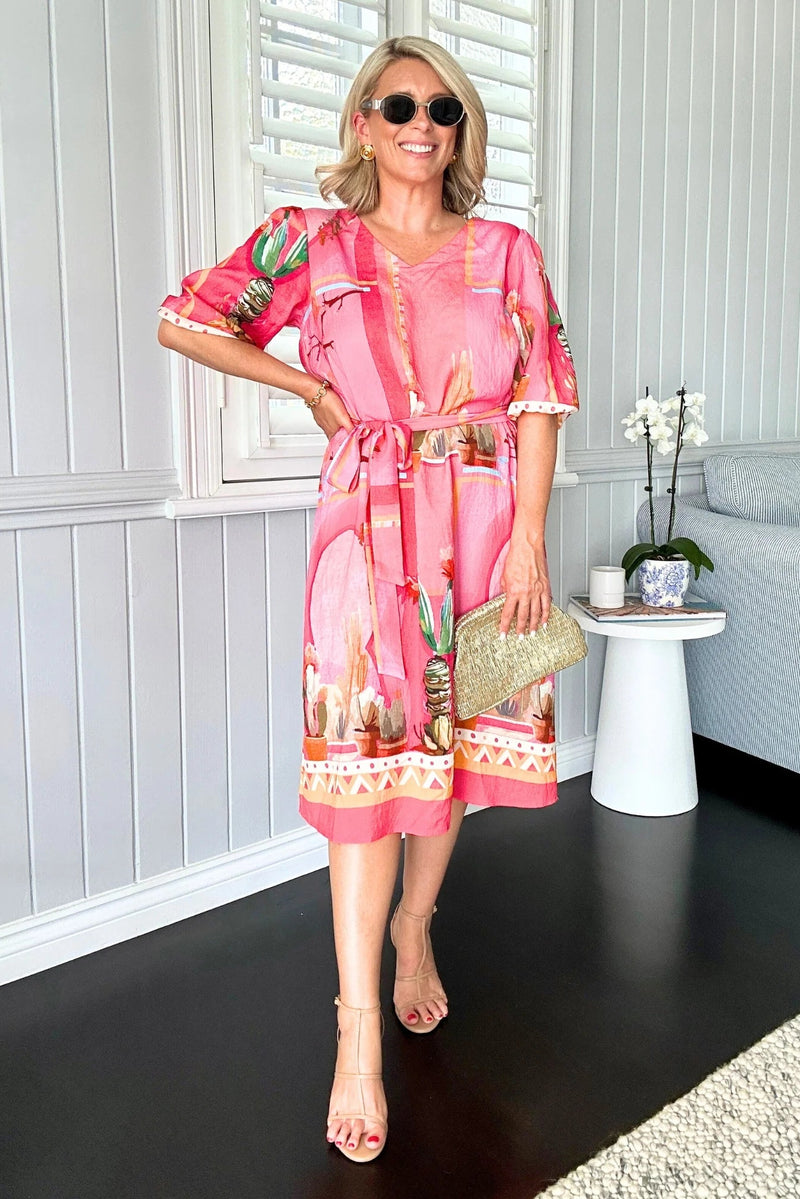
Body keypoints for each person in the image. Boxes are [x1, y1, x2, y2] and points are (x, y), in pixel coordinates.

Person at [158, 35, 579, 1164]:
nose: (421, 124)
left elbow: (540, 398)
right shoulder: (314, 241)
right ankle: (356, 1033)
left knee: (449, 756)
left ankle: (414, 927)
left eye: (443, 108)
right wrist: (304, 381)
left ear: (460, 129)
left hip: (485, 525)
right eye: (398, 105)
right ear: (361, 121)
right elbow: (185, 317)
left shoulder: (507, 251)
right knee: (365, 771)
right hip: (366, 531)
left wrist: (528, 540)